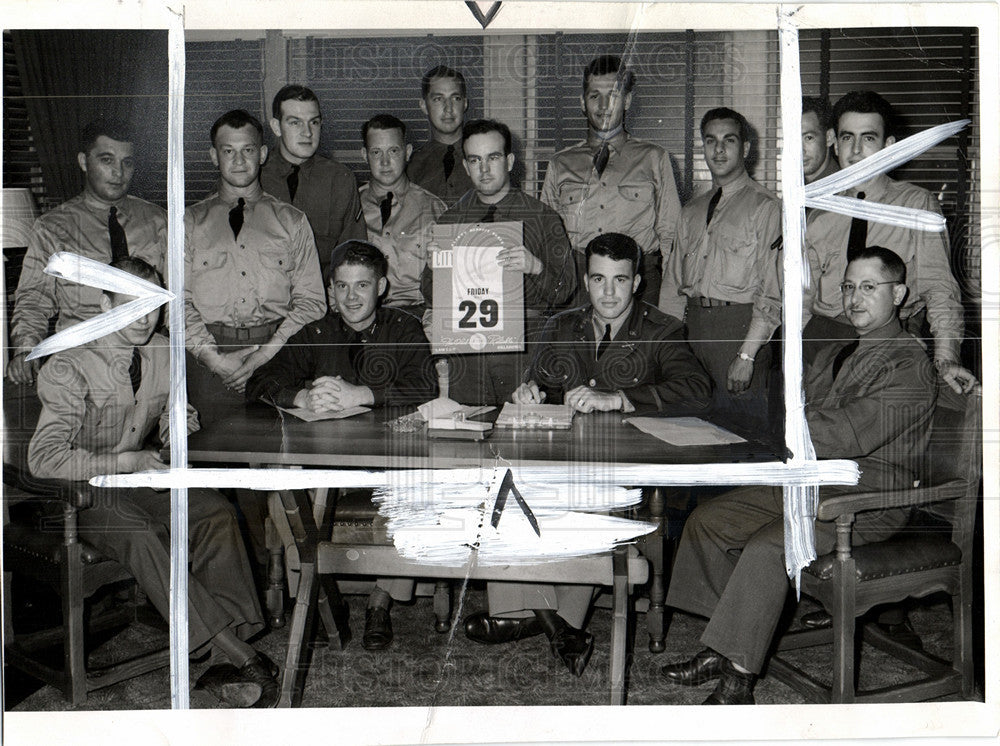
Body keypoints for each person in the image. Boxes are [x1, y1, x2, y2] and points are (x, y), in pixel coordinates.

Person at [661, 247, 938, 705]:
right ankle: (723, 643)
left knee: (771, 544)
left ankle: (738, 676)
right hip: (813, 478)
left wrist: (771, 436)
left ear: (900, 293)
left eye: (869, 287)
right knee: (709, 521)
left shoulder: (909, 363)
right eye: (849, 287)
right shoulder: (840, 348)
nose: (854, 298)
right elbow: (799, 412)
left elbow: (846, 432)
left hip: (866, 497)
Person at [28, 257, 278, 708]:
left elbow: (173, 414)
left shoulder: (163, 350)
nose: (146, 318)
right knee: (142, 534)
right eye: (131, 306)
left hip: (136, 479)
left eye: (153, 306)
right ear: (105, 303)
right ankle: (241, 655)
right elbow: (44, 459)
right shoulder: (67, 362)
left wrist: (176, 429)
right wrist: (126, 461)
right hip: (73, 495)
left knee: (215, 512)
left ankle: (224, 652)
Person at [462, 233, 713, 677]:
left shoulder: (663, 329)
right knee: (504, 497)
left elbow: (697, 390)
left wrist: (621, 397)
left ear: (637, 281)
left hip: (620, 474)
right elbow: (540, 383)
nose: (609, 293)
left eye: (620, 280)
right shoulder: (561, 326)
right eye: (599, 279)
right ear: (586, 280)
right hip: (559, 464)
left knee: (580, 510)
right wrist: (531, 391)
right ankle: (558, 627)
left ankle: (524, 620)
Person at [247, 240, 435, 650]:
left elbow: (426, 385)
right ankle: (317, 599)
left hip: (390, 464)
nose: (351, 297)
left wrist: (362, 393)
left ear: (381, 287)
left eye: (362, 286)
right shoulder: (315, 334)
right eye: (342, 286)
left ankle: (381, 599)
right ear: (331, 289)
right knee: (282, 493)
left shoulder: (404, 329)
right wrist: (299, 397)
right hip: (327, 466)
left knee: (418, 491)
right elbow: (257, 383)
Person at [185, 109, 326, 568]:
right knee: (213, 479)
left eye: (248, 149)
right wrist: (213, 358)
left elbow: (311, 303)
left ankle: (284, 582)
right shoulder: (188, 222)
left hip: (277, 355)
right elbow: (175, 301)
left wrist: (265, 354)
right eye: (229, 151)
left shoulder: (291, 220)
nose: (240, 160)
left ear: (263, 153)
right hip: (210, 362)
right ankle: (228, 585)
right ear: (213, 156)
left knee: (279, 475)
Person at [804, 90, 977, 394]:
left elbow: (938, 287)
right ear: (834, 142)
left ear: (889, 146)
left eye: (868, 138)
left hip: (888, 344)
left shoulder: (916, 205)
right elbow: (803, 297)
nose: (856, 150)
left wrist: (946, 357)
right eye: (847, 138)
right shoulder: (819, 211)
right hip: (822, 342)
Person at [422, 118, 576, 406]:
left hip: (524, 352)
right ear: (466, 166)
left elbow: (566, 290)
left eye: (492, 158)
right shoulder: (450, 221)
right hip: (466, 354)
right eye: (475, 160)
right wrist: (434, 270)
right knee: (467, 436)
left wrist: (535, 267)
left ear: (509, 161)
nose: (484, 169)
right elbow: (430, 297)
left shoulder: (543, 218)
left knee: (523, 440)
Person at [7, 118, 166, 384]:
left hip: (151, 369)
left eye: (127, 162)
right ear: (83, 161)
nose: (118, 172)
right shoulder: (53, 228)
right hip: (80, 370)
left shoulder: (159, 221)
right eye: (107, 160)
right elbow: (34, 299)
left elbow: (177, 300)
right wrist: (26, 349)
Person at [658, 107, 782, 433]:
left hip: (738, 332)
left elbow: (773, 290)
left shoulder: (766, 208)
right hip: (693, 331)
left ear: (746, 148)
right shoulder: (691, 211)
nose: (719, 150)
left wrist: (748, 355)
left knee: (743, 435)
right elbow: (673, 287)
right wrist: (666, 348)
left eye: (729, 140)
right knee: (690, 431)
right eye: (710, 141)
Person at [541, 54, 681, 305]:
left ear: (627, 101)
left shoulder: (654, 158)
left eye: (613, 96)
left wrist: (671, 302)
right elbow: (548, 241)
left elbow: (671, 237)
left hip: (640, 285)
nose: (604, 105)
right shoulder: (560, 164)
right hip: (577, 286)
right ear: (583, 103)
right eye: (595, 96)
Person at [260, 84, 367, 279]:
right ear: (276, 127)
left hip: (323, 300)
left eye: (314, 122)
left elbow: (353, 252)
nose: (307, 132)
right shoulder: (255, 177)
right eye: (295, 123)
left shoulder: (340, 179)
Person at [358, 114, 446, 315]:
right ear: (364, 155)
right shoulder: (350, 207)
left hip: (417, 317)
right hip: (363, 317)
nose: (385, 162)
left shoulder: (433, 209)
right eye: (376, 152)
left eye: (393, 151)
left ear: (407, 152)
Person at [406, 65, 476, 205]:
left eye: (455, 98)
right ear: (424, 106)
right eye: (438, 99)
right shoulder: (410, 166)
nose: (448, 108)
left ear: (465, 104)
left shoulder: (485, 159)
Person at [801, 96, 838, 185]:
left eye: (809, 138)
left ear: (829, 137)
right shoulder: (795, 189)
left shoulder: (844, 190)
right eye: (793, 141)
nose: (800, 151)